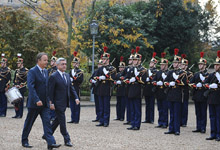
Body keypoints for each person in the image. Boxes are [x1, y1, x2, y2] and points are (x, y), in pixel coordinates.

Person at [21, 52, 60, 149]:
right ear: (39, 61)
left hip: (45, 104)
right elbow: (31, 87)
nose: (47, 62)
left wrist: (49, 101)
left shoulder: (46, 72)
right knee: (29, 122)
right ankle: (24, 140)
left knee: (47, 123)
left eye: (47, 60)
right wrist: (37, 99)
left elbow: (47, 88)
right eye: (45, 60)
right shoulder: (32, 71)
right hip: (35, 103)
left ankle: (51, 143)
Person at [46, 57, 80, 147]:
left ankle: (47, 135)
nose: (64, 65)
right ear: (57, 65)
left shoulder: (67, 75)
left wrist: (76, 97)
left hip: (65, 102)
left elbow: (71, 88)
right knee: (62, 121)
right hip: (57, 103)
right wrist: (51, 102)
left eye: (65, 64)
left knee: (57, 120)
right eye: (62, 64)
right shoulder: (53, 76)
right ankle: (67, 139)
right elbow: (50, 91)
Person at [164, 48, 186, 136]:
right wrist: (169, 83)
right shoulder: (170, 72)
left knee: (177, 113)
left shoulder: (182, 73)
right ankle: (171, 128)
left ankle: (177, 129)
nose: (174, 64)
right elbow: (165, 82)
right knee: (172, 113)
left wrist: (177, 82)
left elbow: (185, 84)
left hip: (177, 94)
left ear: (179, 64)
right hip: (170, 94)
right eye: (174, 63)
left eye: (176, 63)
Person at [94, 46, 116, 127]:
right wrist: (98, 78)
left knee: (106, 106)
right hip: (100, 88)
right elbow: (96, 76)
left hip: (107, 88)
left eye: (104, 59)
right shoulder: (100, 69)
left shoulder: (112, 68)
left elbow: (113, 78)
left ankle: (106, 121)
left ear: (108, 60)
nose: (103, 60)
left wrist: (106, 77)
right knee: (101, 105)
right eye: (102, 59)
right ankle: (101, 120)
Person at [125, 46, 144, 130]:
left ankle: (137, 124)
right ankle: (133, 123)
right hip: (131, 90)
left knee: (137, 109)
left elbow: (144, 80)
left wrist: (137, 78)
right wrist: (128, 80)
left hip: (138, 90)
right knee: (132, 108)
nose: (134, 61)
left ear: (139, 61)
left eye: (136, 60)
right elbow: (127, 77)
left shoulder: (142, 69)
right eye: (134, 60)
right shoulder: (132, 69)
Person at [190, 52, 208, 134]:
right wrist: (195, 85)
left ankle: (203, 127)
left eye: (202, 64)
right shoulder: (196, 74)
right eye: (199, 64)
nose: (200, 66)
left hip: (203, 95)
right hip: (197, 94)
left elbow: (208, 84)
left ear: (205, 65)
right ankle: (198, 127)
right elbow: (190, 83)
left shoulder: (208, 75)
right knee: (198, 112)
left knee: (203, 112)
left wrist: (203, 83)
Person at [204, 50, 220, 141]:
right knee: (212, 116)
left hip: (218, 98)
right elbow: (205, 82)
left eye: (217, 65)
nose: (215, 66)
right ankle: (213, 133)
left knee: (218, 117)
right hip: (211, 98)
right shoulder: (212, 74)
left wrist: (217, 85)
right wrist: (209, 85)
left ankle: (219, 134)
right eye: (215, 65)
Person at [152, 52, 169, 128]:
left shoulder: (169, 73)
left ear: (166, 65)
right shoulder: (158, 72)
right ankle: (160, 122)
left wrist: (164, 81)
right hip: (159, 92)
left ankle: (165, 123)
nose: (161, 66)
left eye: (163, 65)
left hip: (165, 92)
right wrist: (156, 83)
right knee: (160, 108)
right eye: (161, 65)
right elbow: (153, 80)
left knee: (165, 109)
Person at [68, 51, 83, 124]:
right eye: (74, 63)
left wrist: (74, 79)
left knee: (77, 105)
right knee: (72, 105)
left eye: (76, 63)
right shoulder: (71, 71)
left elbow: (81, 80)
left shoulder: (80, 72)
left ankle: (76, 119)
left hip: (76, 89)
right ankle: (72, 118)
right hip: (71, 89)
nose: (74, 64)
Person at [142, 52, 158, 124]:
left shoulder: (156, 71)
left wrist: (151, 79)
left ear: (154, 64)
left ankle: (151, 118)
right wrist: (146, 79)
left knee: (151, 104)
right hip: (147, 88)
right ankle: (147, 118)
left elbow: (156, 78)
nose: (150, 64)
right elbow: (143, 78)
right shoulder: (146, 70)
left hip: (152, 88)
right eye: (150, 63)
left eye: (152, 63)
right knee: (147, 104)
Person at [12, 53, 28, 118]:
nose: (17, 64)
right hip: (16, 88)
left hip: (21, 88)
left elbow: (26, 80)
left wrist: (20, 85)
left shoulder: (26, 71)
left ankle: (20, 114)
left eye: (18, 63)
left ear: (22, 64)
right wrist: (14, 84)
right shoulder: (17, 71)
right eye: (17, 63)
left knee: (20, 102)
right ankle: (16, 114)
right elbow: (14, 79)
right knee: (16, 102)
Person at [180, 54, 193, 127]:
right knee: (179, 107)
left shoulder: (189, 74)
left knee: (184, 107)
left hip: (185, 91)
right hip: (179, 92)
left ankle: (184, 121)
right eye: (181, 64)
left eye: (184, 65)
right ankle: (179, 121)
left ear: (186, 66)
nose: (182, 66)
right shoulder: (180, 72)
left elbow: (189, 82)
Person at [114, 56, 126, 121]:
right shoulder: (118, 74)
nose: (120, 68)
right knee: (118, 104)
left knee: (122, 104)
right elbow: (115, 80)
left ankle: (122, 116)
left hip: (123, 90)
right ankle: (118, 116)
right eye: (120, 67)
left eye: (122, 67)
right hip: (118, 90)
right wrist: (115, 82)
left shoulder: (125, 74)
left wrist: (121, 82)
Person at [48, 51, 57, 122]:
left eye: (53, 61)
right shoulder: (49, 70)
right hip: (49, 87)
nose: (51, 62)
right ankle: (50, 115)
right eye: (51, 61)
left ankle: (54, 115)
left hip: (54, 88)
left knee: (53, 102)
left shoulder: (57, 70)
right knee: (49, 101)